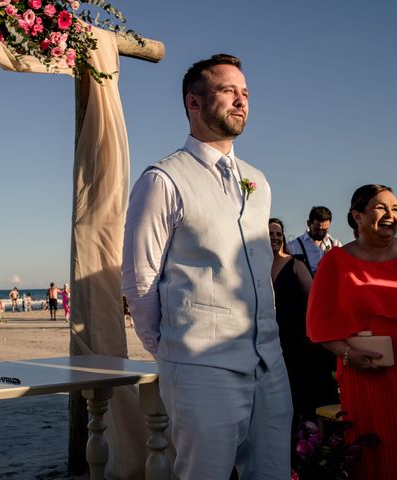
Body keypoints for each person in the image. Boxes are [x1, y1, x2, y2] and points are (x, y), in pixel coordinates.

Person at [122, 54, 292, 479]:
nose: (241, 101)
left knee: (272, 472)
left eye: (246, 93)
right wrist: (166, 348)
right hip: (200, 366)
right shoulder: (163, 179)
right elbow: (140, 276)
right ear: (193, 103)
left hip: (269, 362)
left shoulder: (258, 180)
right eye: (228, 91)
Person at [307, 184, 397, 478]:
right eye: (382, 207)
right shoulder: (335, 261)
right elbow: (318, 325)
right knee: (372, 452)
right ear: (358, 217)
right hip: (364, 374)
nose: (390, 214)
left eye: (395, 209)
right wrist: (348, 355)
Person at [269, 218, 338, 432]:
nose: (275, 237)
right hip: (273, 341)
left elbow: (313, 300)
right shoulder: (255, 268)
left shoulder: (295, 263)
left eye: (279, 233)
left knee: (307, 392)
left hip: (300, 339)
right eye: (270, 233)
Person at [287, 206, 342, 275]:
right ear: (308, 223)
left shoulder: (336, 244)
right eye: (317, 229)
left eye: (325, 230)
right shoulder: (293, 246)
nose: (321, 233)